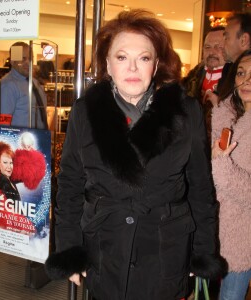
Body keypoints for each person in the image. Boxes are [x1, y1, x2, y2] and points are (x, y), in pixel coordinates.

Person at [45, 9, 226, 300]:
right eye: (121, 57)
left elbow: (201, 188)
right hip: (105, 248)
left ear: (155, 65)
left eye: (143, 58)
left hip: (165, 248)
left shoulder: (185, 111)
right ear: (107, 64)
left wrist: (202, 251)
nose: (132, 68)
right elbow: (70, 184)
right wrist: (68, 249)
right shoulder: (85, 112)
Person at [211, 49, 251, 300]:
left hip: (241, 238)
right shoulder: (229, 117)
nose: (246, 80)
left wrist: (221, 166)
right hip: (215, 230)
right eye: (241, 73)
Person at [0, 138, 46, 233]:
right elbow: (6, 213)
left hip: (17, 224)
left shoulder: (9, 178)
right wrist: (22, 226)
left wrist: (28, 153)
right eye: (5, 162)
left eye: (11, 162)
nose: (9, 166)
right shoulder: (3, 182)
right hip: (13, 228)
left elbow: (27, 176)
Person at [182, 26, 226, 142]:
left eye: (218, 47)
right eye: (207, 47)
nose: (212, 52)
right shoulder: (187, 82)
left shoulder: (236, 83)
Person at [0, 41, 48, 129]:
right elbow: (4, 123)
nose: (28, 62)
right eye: (23, 59)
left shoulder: (34, 83)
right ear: (13, 61)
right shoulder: (9, 85)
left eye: (30, 59)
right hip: (20, 140)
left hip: (38, 138)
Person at [218, 12, 251, 97]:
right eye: (240, 74)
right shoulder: (228, 69)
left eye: (226, 38)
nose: (221, 45)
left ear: (243, 40)